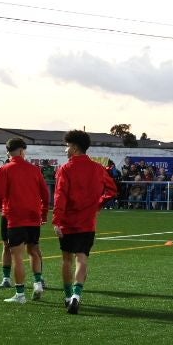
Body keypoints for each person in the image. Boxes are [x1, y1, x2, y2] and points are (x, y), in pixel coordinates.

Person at [52, 129, 118, 315]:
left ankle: (66, 296)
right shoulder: (98, 168)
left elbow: (60, 196)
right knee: (82, 258)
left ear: (74, 147)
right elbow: (112, 190)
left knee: (66, 259)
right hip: (87, 221)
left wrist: (57, 220)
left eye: (67, 146)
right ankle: (76, 295)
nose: (65, 149)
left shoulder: (65, 169)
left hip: (68, 221)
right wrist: (97, 204)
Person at [0, 136, 50, 304]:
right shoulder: (35, 169)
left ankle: (20, 294)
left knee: (17, 255)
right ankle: (38, 283)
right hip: (33, 217)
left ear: (8, 152)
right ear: (22, 151)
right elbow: (45, 193)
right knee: (34, 250)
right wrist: (43, 214)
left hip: (14, 217)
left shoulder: (5, 169)